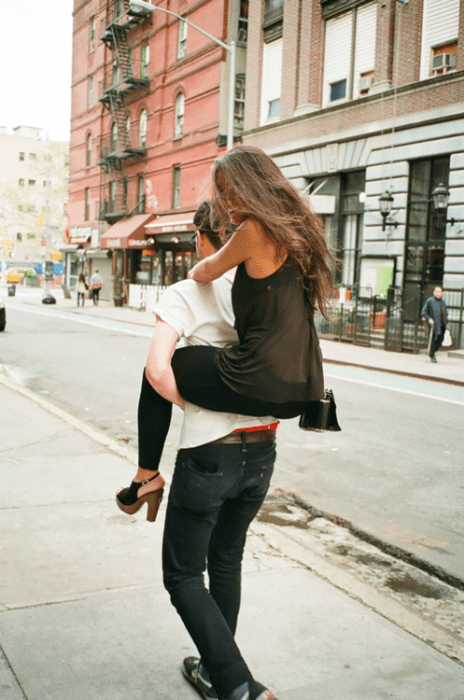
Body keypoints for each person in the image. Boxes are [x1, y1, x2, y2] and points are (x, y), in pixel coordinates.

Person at [117, 201, 280, 700]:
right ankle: (216, 672)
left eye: (197, 238)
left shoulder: (188, 292)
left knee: (184, 575)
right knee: (226, 560)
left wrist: (196, 404)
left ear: (206, 241)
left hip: (211, 453)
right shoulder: (263, 294)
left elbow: (155, 370)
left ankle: (238, 687)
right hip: (263, 449)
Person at [118, 145, 333, 485]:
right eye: (223, 194)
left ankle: (147, 476)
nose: (228, 202)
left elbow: (208, 270)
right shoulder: (300, 232)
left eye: (233, 192)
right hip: (302, 388)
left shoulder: (254, 230)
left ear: (254, 187)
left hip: (261, 377)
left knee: (158, 368)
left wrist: (195, 404)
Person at [421, 286, 448, 363]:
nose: (438, 293)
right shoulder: (430, 300)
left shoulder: (443, 302)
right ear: (434, 292)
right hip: (433, 325)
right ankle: (432, 355)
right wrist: (429, 319)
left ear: (442, 293)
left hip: (441, 325)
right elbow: (423, 312)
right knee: (432, 340)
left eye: (439, 292)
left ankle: (431, 351)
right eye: (436, 291)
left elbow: (445, 314)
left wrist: (446, 322)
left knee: (440, 339)